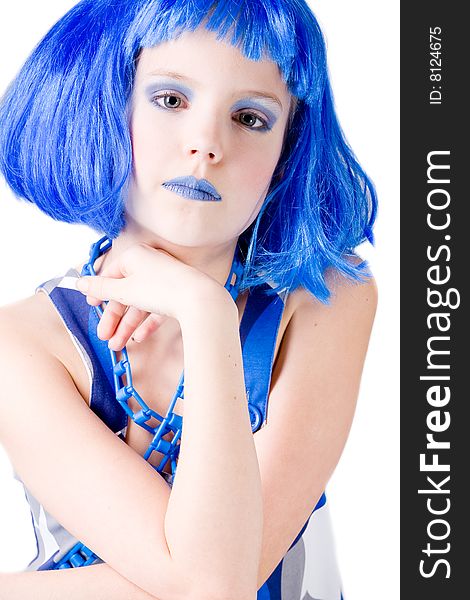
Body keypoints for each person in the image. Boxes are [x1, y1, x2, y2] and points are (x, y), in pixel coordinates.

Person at [0, 0, 377, 598]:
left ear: (287, 153)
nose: (205, 144)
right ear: (107, 105)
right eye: (170, 100)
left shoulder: (327, 295)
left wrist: (205, 315)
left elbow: (218, 584)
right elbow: (211, 584)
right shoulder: (22, 344)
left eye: (250, 118)